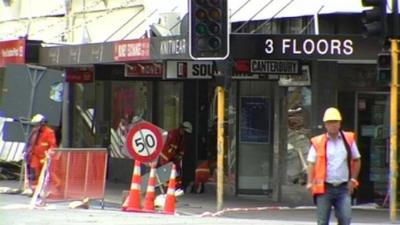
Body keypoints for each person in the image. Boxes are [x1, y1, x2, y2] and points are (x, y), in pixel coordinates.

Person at [306, 107, 361, 225]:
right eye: (329, 122)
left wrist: (353, 180)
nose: (332, 125)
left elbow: (357, 160)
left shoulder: (348, 140)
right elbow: (311, 163)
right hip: (324, 189)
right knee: (322, 221)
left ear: (340, 123)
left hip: (343, 188)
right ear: (325, 125)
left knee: (345, 219)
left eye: (335, 122)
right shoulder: (318, 142)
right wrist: (310, 182)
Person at [24, 114, 58, 193]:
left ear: (42, 123)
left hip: (44, 157)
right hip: (35, 155)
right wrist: (26, 151)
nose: (36, 126)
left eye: (37, 124)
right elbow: (30, 143)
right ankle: (35, 189)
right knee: (34, 172)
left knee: (48, 174)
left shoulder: (49, 132)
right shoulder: (34, 131)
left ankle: (55, 188)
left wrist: (50, 154)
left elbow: (53, 145)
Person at [159, 121, 192, 188]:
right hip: (166, 155)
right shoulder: (173, 133)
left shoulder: (182, 137)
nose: (185, 134)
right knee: (167, 171)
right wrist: (175, 155)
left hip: (173, 156)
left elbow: (182, 149)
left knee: (177, 170)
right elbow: (168, 146)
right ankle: (168, 187)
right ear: (182, 129)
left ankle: (176, 186)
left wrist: (179, 156)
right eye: (185, 132)